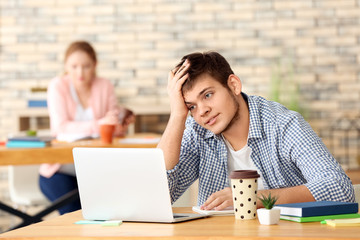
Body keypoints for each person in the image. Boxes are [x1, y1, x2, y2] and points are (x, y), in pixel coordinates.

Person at [157, 51, 355, 211]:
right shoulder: (197, 131)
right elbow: (159, 195)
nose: (202, 111)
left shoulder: (283, 124)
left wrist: (251, 198)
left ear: (233, 85)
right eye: (191, 106)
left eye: (208, 95)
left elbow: (340, 188)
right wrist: (177, 116)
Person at [39, 41, 134, 214]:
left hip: (95, 168)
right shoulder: (57, 86)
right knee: (74, 214)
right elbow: (60, 127)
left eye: (86, 66)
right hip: (60, 169)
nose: (80, 72)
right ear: (66, 66)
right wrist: (100, 123)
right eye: (74, 67)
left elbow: (111, 128)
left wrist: (120, 124)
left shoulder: (104, 85)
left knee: (111, 210)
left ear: (95, 65)